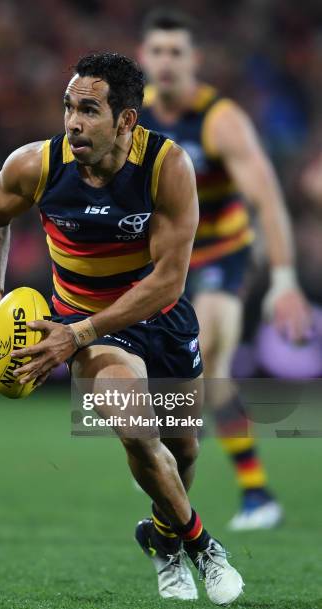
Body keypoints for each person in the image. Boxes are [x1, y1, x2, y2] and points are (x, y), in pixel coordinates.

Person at [0, 52, 244, 604]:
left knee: (184, 451)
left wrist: (78, 334)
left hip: (159, 317)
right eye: (69, 107)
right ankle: (201, 547)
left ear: (126, 120)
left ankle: (162, 538)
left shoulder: (167, 167)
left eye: (89, 110)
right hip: (85, 321)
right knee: (136, 428)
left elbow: (168, 283)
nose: (72, 122)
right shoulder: (37, 165)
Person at [138, 9, 311, 531]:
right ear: (144, 59)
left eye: (177, 52)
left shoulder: (221, 120)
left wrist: (283, 280)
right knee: (181, 379)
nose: (166, 62)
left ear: (194, 60)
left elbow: (268, 200)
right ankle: (241, 491)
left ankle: (244, 493)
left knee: (208, 353)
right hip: (165, 257)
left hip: (221, 253)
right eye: (158, 52)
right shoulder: (133, 118)